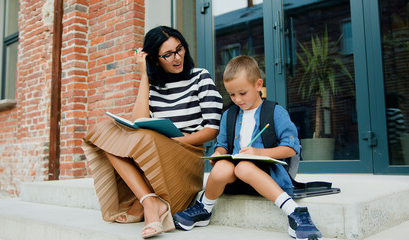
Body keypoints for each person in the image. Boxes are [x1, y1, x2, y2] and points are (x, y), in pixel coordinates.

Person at [81, 26, 223, 238]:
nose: (177, 57)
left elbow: (212, 129)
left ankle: (148, 206)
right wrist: (144, 76)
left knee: (145, 138)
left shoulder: (200, 77)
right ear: (155, 60)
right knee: (104, 132)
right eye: (168, 54)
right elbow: (138, 121)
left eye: (179, 49)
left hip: (187, 155)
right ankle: (149, 200)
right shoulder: (154, 87)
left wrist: (181, 140)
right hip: (158, 152)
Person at [173, 56, 322, 240]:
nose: (237, 99)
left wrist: (259, 153)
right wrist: (218, 154)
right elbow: (222, 146)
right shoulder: (229, 115)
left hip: (270, 178)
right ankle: (204, 209)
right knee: (222, 167)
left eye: (242, 93)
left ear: (258, 85)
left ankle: (295, 212)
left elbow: (291, 148)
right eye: (232, 95)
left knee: (244, 166)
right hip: (237, 180)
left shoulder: (275, 112)